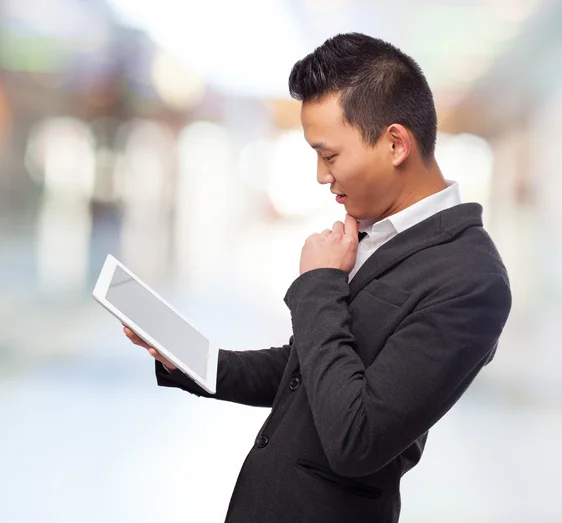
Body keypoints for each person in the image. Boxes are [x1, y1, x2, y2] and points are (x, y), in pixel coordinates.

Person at [124, 32, 511, 523]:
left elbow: (358, 437)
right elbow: (310, 368)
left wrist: (320, 285)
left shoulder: (471, 280)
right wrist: (194, 361)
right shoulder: (376, 233)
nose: (321, 176)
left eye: (329, 156)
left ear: (395, 143)